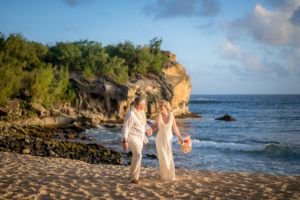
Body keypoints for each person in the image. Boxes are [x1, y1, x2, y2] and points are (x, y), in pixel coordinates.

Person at [122, 96, 152, 184]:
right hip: (132, 138)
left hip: (140, 138)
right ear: (139, 105)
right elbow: (125, 128)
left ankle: (132, 175)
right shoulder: (131, 114)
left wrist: (148, 129)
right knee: (138, 155)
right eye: (144, 104)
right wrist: (124, 141)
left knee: (136, 156)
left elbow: (143, 123)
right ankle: (134, 178)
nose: (145, 105)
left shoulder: (142, 112)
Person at [150, 100, 183, 181]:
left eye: (162, 105)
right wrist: (151, 130)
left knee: (168, 155)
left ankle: (170, 175)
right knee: (162, 157)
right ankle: (164, 175)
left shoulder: (171, 115)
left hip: (168, 138)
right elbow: (155, 126)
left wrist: (179, 137)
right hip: (159, 138)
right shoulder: (158, 116)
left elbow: (175, 127)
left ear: (166, 107)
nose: (160, 107)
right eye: (160, 105)